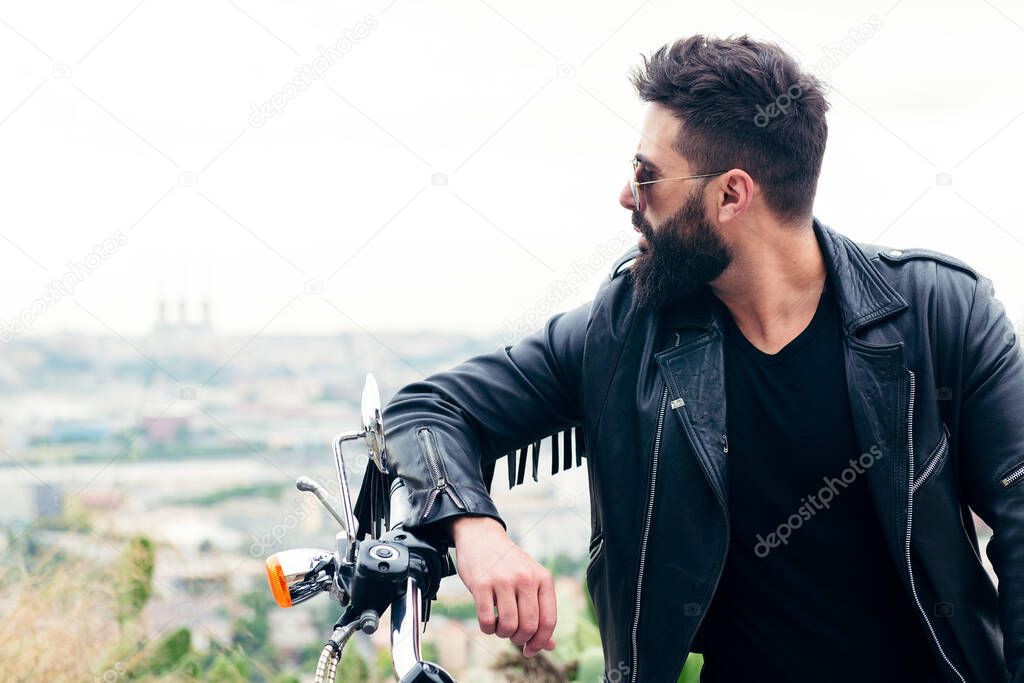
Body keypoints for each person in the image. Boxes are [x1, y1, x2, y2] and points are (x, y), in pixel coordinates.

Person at [355, 34, 1022, 682]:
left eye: (647, 176)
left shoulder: (941, 313)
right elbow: (428, 409)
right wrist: (473, 527)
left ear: (731, 195)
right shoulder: (627, 329)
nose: (626, 196)